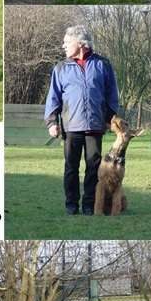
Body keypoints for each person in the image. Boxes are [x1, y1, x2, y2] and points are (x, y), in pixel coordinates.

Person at [44, 25, 119, 215]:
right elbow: (53, 97)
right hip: (71, 126)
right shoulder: (61, 68)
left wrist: (109, 118)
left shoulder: (103, 64)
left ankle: (89, 204)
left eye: (67, 42)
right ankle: (71, 204)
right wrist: (52, 122)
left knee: (93, 167)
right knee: (71, 167)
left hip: (96, 125)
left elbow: (112, 95)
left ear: (81, 44)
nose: (63, 46)